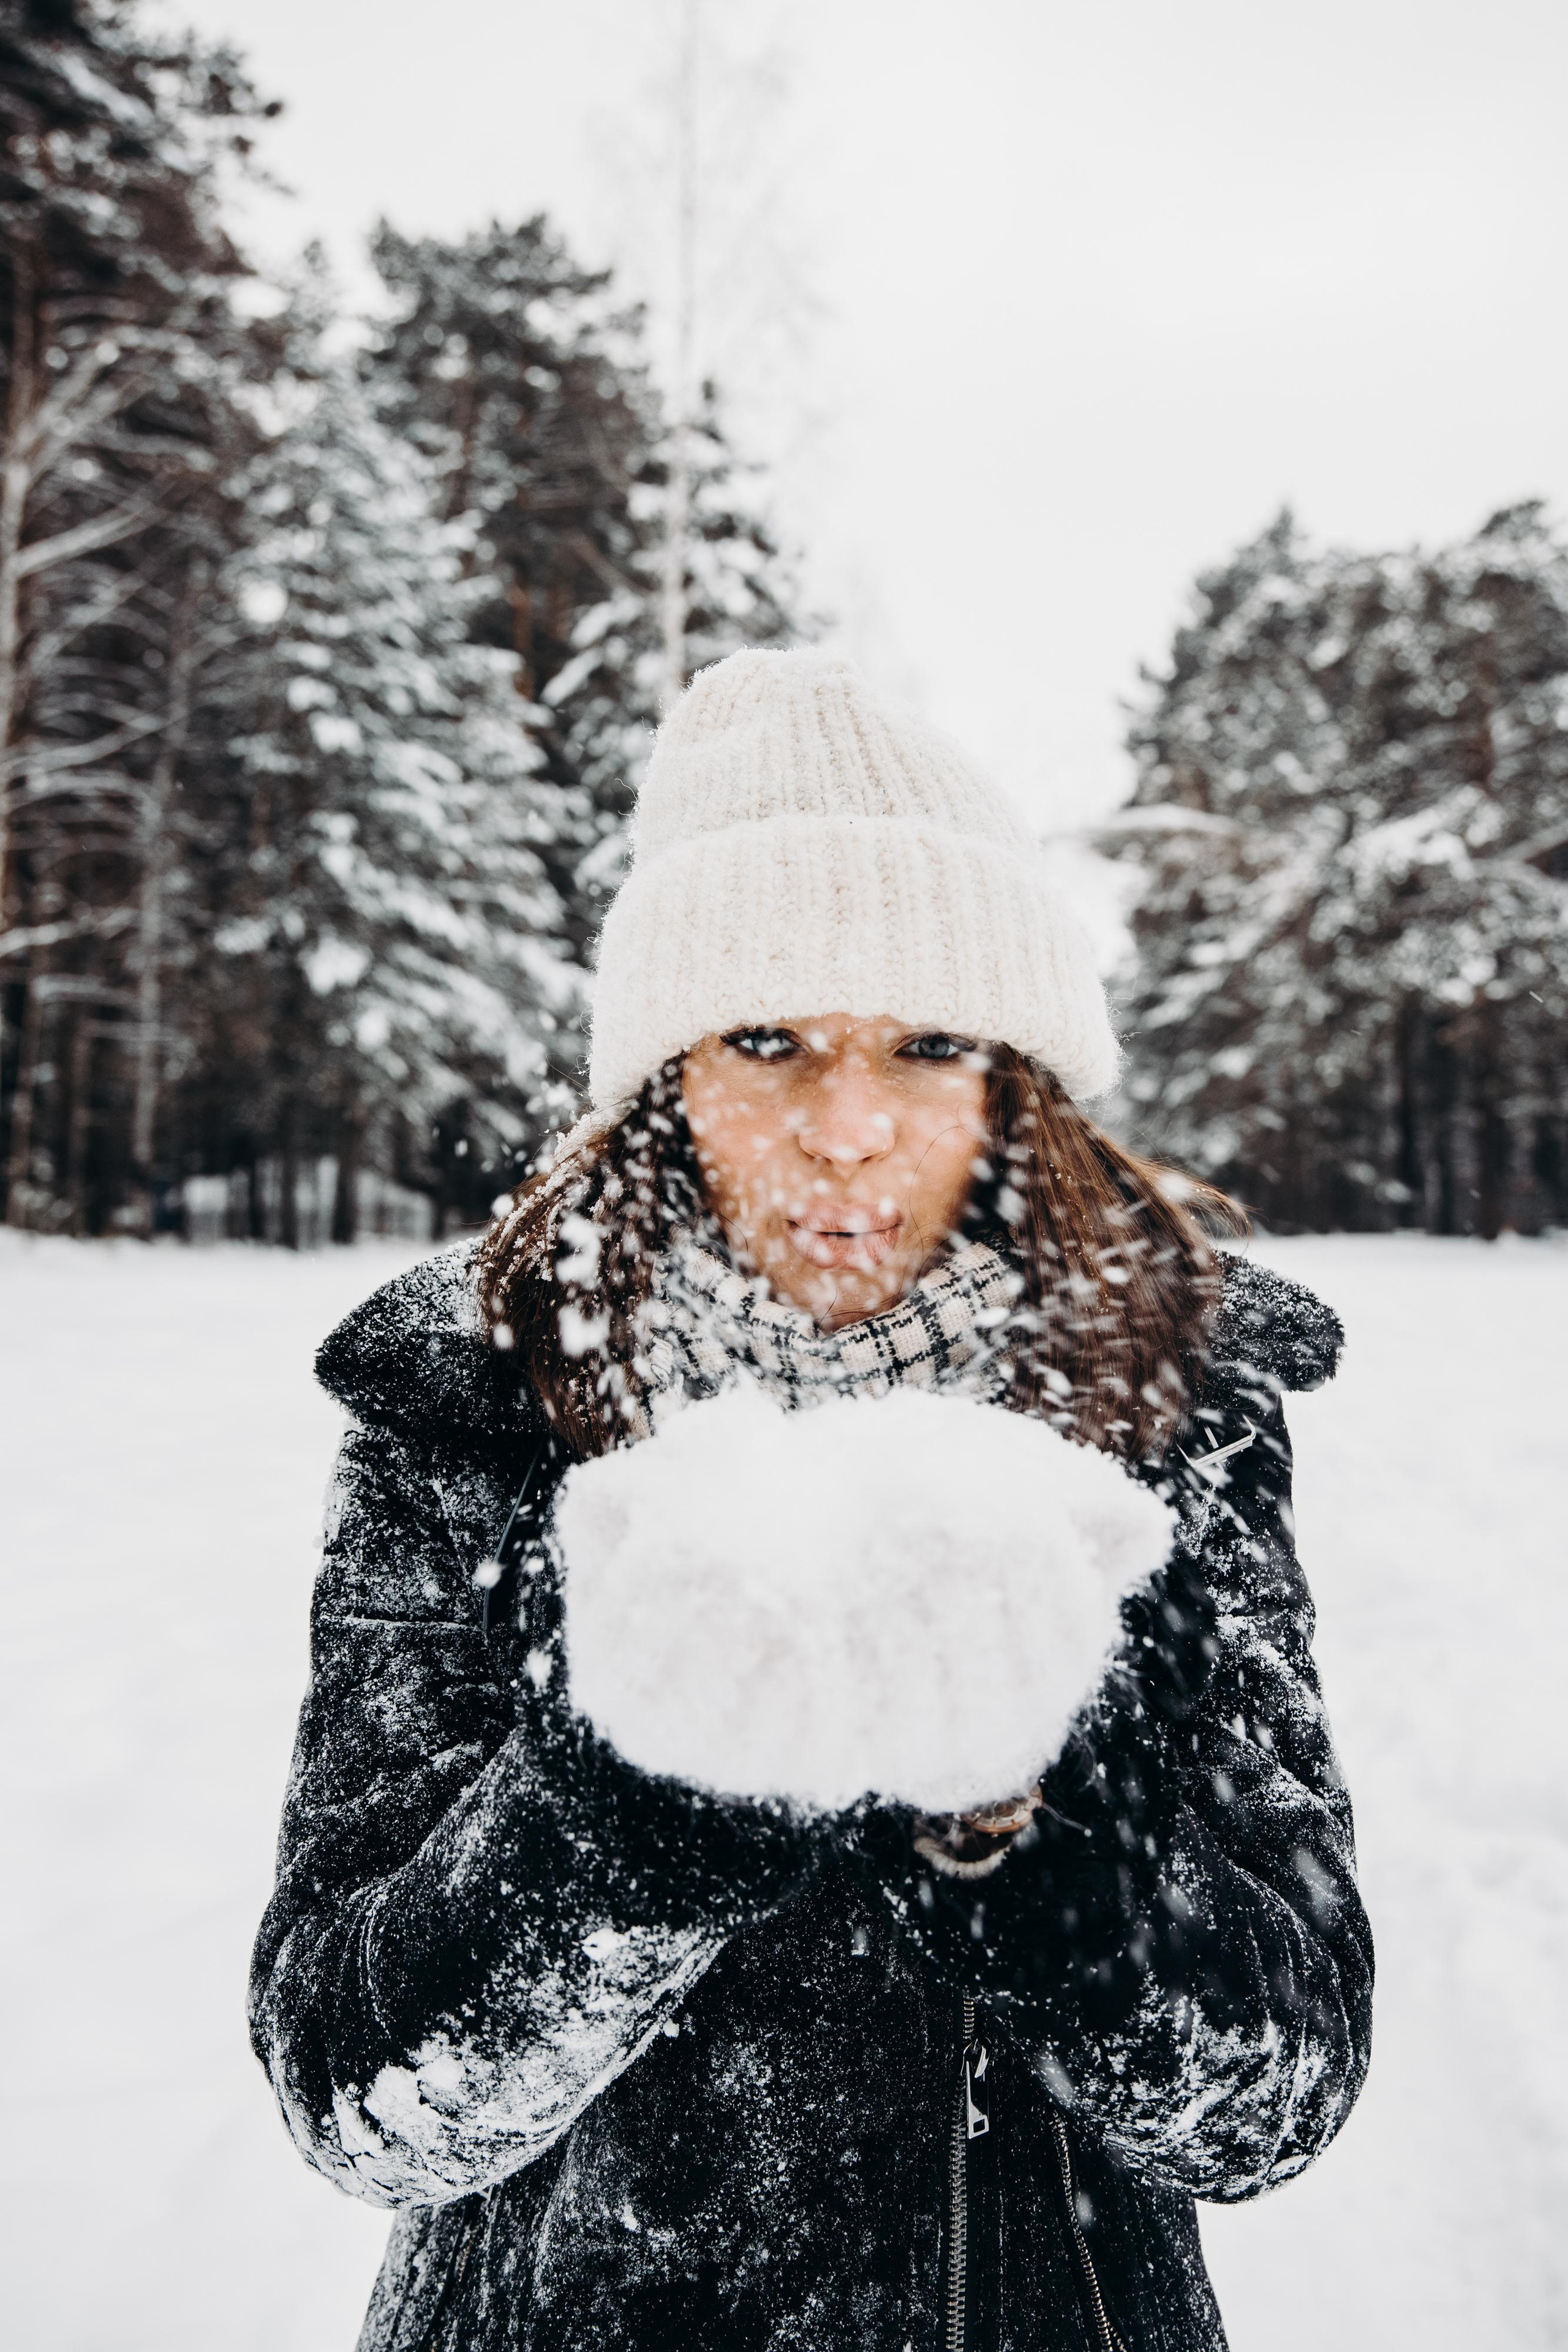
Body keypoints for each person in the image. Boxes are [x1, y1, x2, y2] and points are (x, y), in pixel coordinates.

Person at [250, 650, 1372, 2351]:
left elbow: (1275, 2096)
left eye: (926, 1046)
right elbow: (358, 2090)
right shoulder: (477, 1414)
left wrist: (1042, 1846)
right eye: (766, 1039)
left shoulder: (1163, 1412)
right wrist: (638, 1806)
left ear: (1015, 1085)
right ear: (664, 1076)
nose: (845, 1127)